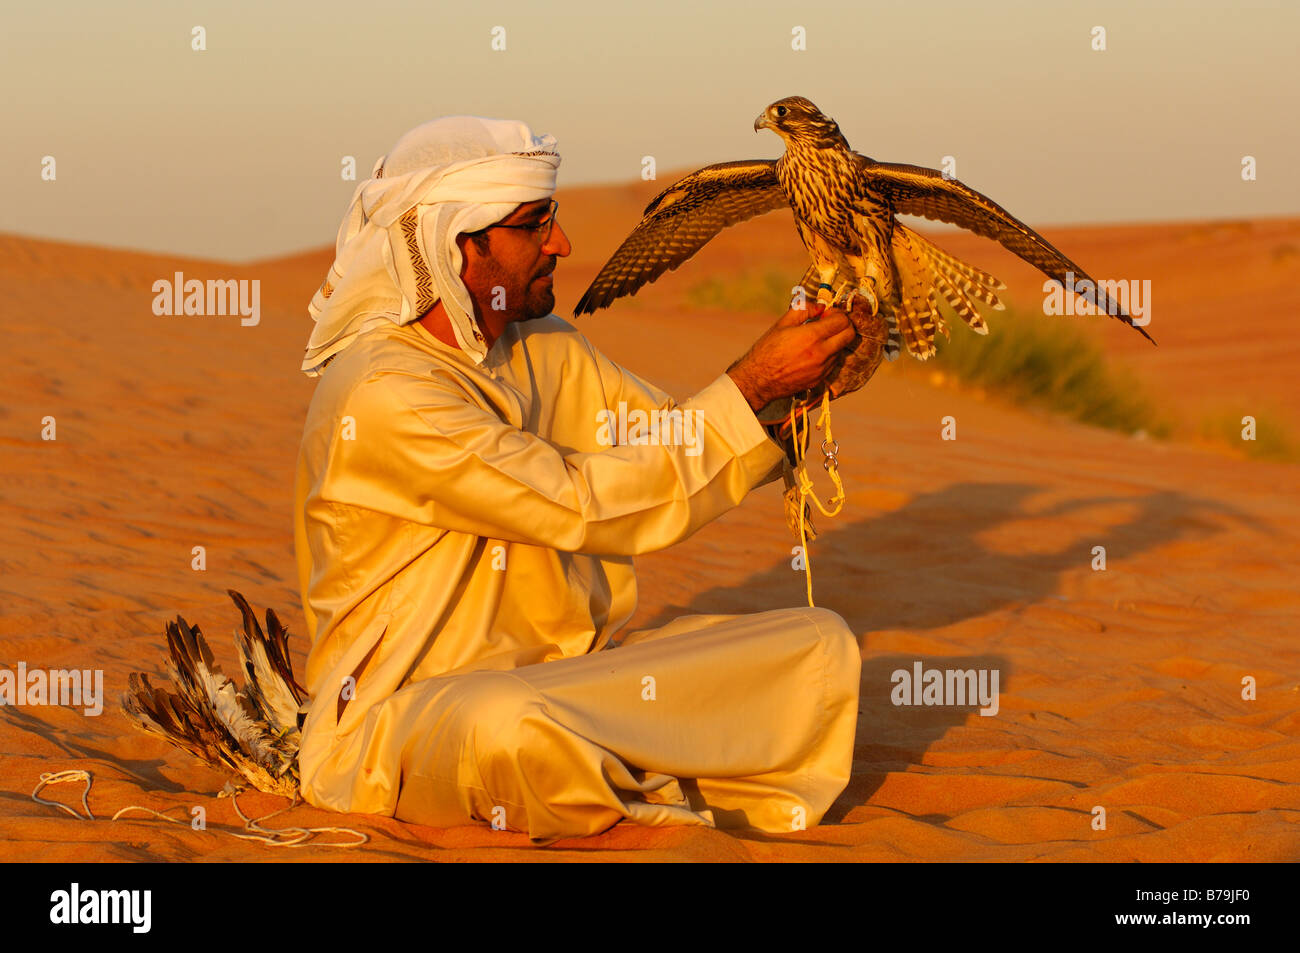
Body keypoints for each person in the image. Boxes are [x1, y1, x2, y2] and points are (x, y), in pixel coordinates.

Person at [292, 115, 863, 844]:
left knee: (817, 650)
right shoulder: (386, 390)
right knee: (509, 724)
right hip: (406, 723)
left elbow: (667, 442)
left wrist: (801, 390)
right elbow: (578, 502)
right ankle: (641, 797)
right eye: (536, 224)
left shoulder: (543, 348)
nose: (560, 243)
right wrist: (750, 382)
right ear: (458, 242)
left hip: (572, 681)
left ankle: (609, 760)